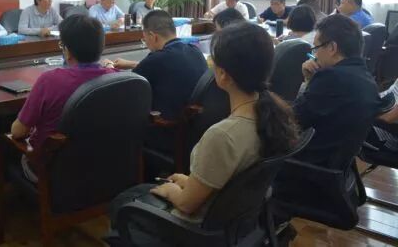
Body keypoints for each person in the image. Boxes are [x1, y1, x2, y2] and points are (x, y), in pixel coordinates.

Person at [108, 22, 298, 241]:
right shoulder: (276, 115)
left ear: (223, 75)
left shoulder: (223, 136)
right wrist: (189, 182)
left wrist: (170, 191)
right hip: (234, 223)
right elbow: (229, 178)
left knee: (122, 203)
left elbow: (186, 205)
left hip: (193, 232)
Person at [11, 14, 117, 182]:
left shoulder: (49, 80)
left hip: (53, 172)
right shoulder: (116, 78)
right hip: (104, 167)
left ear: (67, 51)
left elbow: (18, 132)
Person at [102, 10, 207, 153]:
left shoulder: (155, 60)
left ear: (153, 36)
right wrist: (132, 63)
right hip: (195, 134)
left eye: (144, 38)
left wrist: (109, 67)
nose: (145, 42)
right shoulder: (194, 51)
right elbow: (167, 65)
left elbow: (126, 88)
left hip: (167, 135)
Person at [292, 14, 383, 168]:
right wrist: (311, 81)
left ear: (332, 48)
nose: (315, 55)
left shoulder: (331, 78)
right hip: (335, 168)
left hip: (306, 166)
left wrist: (308, 82)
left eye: (316, 48)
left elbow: (292, 120)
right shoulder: (366, 77)